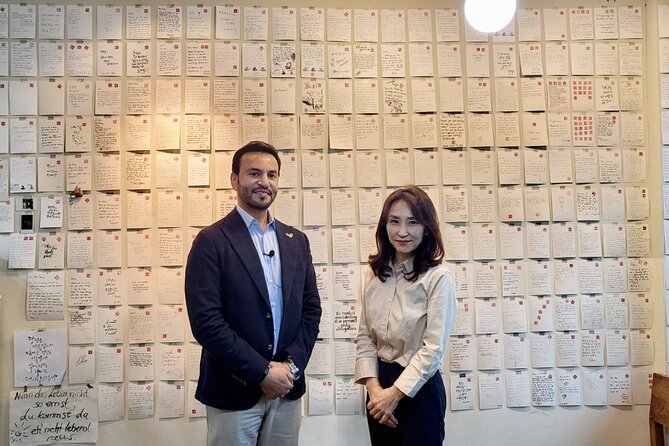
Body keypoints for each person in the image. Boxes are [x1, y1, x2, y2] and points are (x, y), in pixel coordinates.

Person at [185, 141, 322, 446]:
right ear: (235, 180)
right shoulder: (211, 241)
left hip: (287, 389)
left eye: (272, 175)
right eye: (254, 173)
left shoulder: (296, 241)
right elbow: (207, 322)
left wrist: (290, 367)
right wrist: (262, 372)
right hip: (233, 390)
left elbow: (311, 311)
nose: (264, 182)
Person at [355, 186, 457, 446]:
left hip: (418, 390)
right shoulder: (372, 274)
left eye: (412, 222)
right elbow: (365, 338)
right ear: (384, 226)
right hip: (379, 389)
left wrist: (394, 395)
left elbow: (432, 349)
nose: (402, 232)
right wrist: (375, 392)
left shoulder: (438, 278)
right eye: (394, 221)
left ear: (427, 228)